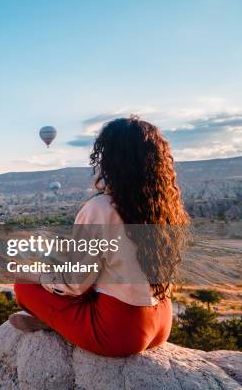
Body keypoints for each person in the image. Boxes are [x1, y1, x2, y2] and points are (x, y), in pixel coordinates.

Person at [10, 116, 190, 357]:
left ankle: (56, 322)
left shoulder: (101, 208)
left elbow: (74, 282)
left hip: (120, 331)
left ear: (112, 161)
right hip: (161, 319)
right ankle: (61, 322)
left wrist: (38, 276)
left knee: (24, 285)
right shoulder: (161, 207)